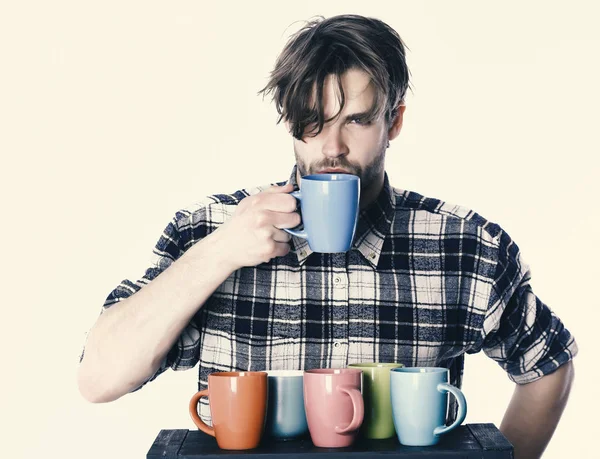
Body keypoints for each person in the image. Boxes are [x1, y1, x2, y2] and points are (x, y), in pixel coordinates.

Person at [78, 14, 577, 459]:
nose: (331, 147)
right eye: (311, 123)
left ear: (394, 120)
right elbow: (98, 378)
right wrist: (219, 254)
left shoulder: (466, 247)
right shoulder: (210, 232)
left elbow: (548, 366)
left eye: (356, 120)